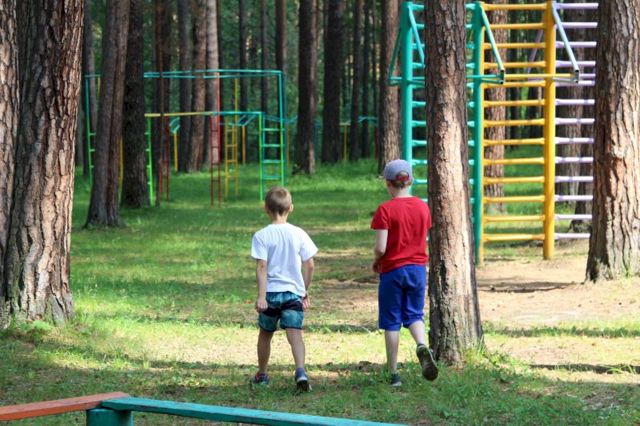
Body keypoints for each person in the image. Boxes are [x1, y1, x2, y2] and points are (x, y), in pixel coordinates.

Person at [371, 159, 438, 387]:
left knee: (392, 321)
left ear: (388, 183)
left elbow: (381, 247)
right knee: (414, 315)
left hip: (393, 271)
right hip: (417, 270)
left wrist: (376, 260)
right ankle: (421, 344)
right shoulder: (422, 207)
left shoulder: (385, 210)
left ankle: (394, 374)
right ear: (410, 181)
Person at [250, 186, 318, 392]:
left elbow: (262, 266)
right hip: (293, 294)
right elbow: (310, 265)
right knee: (295, 334)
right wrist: (303, 290)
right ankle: (301, 371)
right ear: (291, 208)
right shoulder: (299, 233)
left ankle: (262, 375)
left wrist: (261, 296)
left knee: (265, 333)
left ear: (266, 209)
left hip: (270, 294)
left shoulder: (261, 236)